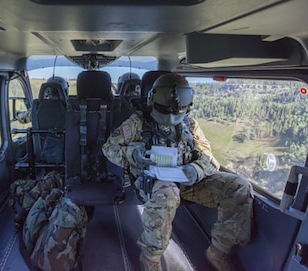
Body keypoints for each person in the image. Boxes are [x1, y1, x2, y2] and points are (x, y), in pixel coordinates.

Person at [102, 73, 253, 271]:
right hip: (153, 181)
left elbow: (208, 156)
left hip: (188, 180)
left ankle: (219, 250)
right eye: (165, 111)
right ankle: (150, 258)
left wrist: (195, 170)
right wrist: (134, 153)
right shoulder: (138, 122)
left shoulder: (190, 124)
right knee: (167, 194)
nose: (171, 118)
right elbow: (109, 148)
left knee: (239, 187)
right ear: (151, 101)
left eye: (178, 111)